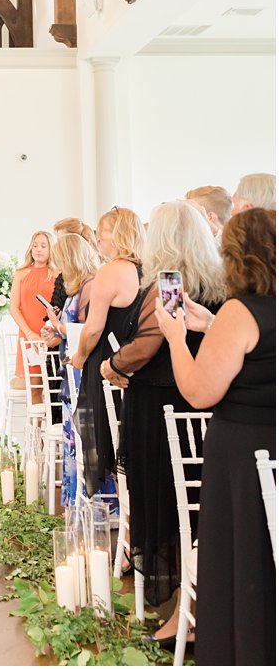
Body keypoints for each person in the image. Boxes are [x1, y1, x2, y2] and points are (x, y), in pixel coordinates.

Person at [152, 208, 274, 666]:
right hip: (273, 449)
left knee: (244, 563)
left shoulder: (241, 311)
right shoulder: (252, 312)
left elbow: (201, 392)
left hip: (243, 460)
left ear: (236, 257)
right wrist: (208, 325)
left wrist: (179, 338)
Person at [103, 200, 222, 626]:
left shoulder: (171, 281)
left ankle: (174, 603)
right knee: (191, 503)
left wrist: (114, 367)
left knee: (165, 502)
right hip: (199, 396)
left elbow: (156, 341)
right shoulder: (218, 280)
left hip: (162, 402)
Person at [68, 206, 144, 501]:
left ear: (120, 234)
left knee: (105, 434)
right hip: (136, 361)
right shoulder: (148, 268)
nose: (99, 241)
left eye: (103, 234)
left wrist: (80, 355)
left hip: (107, 362)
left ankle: (110, 506)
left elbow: (94, 328)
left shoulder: (111, 271)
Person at [41, 234, 101, 503]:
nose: (60, 269)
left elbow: (89, 331)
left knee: (82, 435)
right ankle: (75, 499)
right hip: (71, 369)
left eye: (62, 262)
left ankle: (89, 502)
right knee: (72, 435)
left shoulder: (91, 286)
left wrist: (59, 327)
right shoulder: (77, 287)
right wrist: (56, 334)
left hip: (81, 371)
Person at [9, 230, 56, 385]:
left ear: (51, 249)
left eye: (43, 246)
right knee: (34, 385)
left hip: (52, 336)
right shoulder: (21, 273)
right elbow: (14, 308)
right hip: (28, 336)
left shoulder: (57, 273)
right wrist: (29, 334)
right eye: (35, 245)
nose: (38, 249)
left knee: (53, 383)